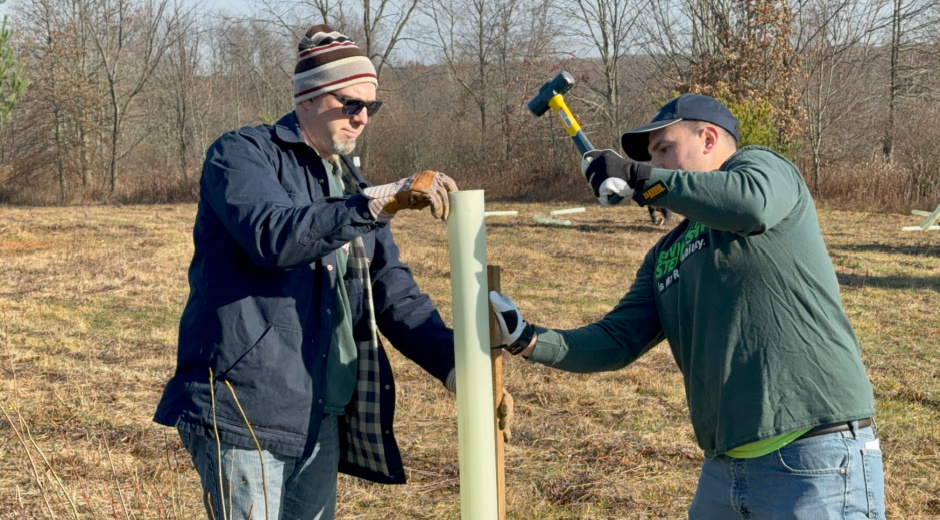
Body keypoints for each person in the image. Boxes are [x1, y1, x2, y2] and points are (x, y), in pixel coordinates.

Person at [153, 24, 505, 520]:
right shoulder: (240, 154)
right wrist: (372, 204)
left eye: (372, 107)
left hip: (321, 411)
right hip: (245, 410)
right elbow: (273, 237)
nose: (362, 118)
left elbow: (393, 292)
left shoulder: (348, 180)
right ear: (309, 99)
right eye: (350, 103)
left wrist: (460, 370)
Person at [489, 93, 885, 519]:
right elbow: (617, 340)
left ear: (709, 138)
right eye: (651, 156)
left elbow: (749, 204)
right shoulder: (667, 252)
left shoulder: (764, 170)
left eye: (664, 148)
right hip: (723, 470)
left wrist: (640, 177)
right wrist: (528, 339)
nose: (655, 161)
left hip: (814, 457)